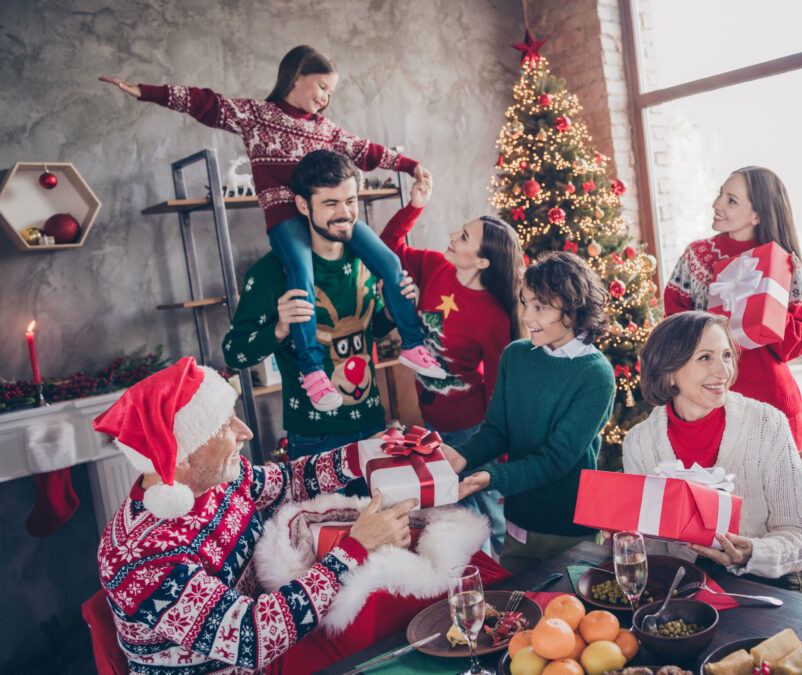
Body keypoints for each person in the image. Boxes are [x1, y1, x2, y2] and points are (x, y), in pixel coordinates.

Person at [100, 45, 445, 414]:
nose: (326, 97)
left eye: (331, 92)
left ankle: (412, 344)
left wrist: (411, 166)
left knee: (390, 263)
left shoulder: (324, 129)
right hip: (285, 215)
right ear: (296, 77)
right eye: (322, 87)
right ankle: (313, 371)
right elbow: (206, 103)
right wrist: (145, 91)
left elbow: (366, 150)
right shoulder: (257, 116)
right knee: (301, 275)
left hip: (329, 215)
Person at [92, 357, 418, 672]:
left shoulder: (220, 478)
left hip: (271, 647)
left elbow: (289, 482)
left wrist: (361, 455)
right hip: (248, 656)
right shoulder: (139, 556)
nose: (245, 431)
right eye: (224, 426)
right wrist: (355, 548)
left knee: (391, 617)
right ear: (180, 456)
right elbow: (252, 637)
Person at [222, 150, 411, 471]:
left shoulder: (366, 259)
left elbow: (371, 331)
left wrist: (393, 310)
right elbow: (234, 353)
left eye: (350, 201)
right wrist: (280, 328)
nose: (345, 213)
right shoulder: (271, 273)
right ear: (302, 206)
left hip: (374, 425)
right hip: (316, 438)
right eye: (330, 203)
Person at [441, 252, 615, 574]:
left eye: (540, 307)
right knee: (516, 616)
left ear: (575, 309)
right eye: (525, 303)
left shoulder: (595, 375)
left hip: (569, 531)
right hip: (518, 524)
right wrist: (461, 457)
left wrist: (494, 477)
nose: (526, 316)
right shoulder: (516, 356)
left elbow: (556, 459)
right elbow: (497, 431)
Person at [379, 174, 524, 554]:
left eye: (463, 237)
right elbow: (387, 246)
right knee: (453, 511)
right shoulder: (433, 266)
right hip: (432, 422)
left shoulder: (494, 316)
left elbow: (497, 387)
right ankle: (469, 578)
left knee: (487, 514)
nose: (452, 237)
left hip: (471, 428)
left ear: (482, 260)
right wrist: (415, 205)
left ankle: (501, 584)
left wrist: (497, 449)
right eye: (458, 230)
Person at [622, 310, 802, 592]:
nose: (724, 371)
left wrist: (752, 553)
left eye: (726, 356)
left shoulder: (767, 423)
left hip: (769, 581)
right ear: (668, 372)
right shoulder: (638, 443)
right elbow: (650, 548)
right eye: (705, 358)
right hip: (681, 583)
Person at [663, 166, 802, 447]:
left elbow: (793, 348)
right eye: (720, 194)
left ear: (757, 214)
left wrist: (766, 298)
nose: (716, 204)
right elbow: (673, 330)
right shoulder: (696, 256)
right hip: (707, 403)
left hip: (773, 404)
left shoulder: (785, 263)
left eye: (731, 200)